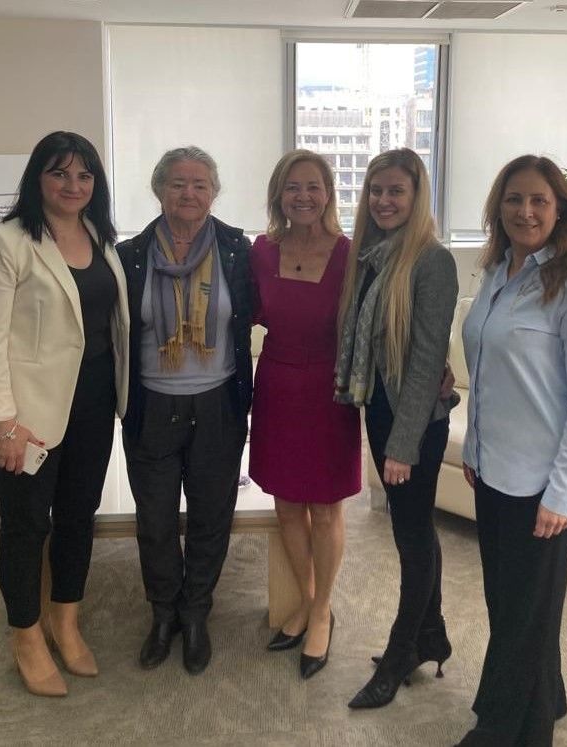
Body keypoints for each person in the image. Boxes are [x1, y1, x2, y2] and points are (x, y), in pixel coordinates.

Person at [0, 131, 129, 697]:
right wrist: (4, 423)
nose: (73, 185)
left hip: (93, 404)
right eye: (59, 173)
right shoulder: (5, 241)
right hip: (27, 416)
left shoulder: (100, 237)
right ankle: (26, 636)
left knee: (79, 516)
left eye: (84, 175)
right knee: (26, 526)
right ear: (38, 178)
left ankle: (66, 619)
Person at [456, 155, 567, 747]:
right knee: (512, 603)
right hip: (493, 469)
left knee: (523, 615)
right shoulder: (497, 272)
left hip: (542, 483)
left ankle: (505, 728)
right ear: (499, 208)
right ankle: (549, 696)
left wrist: (563, 493)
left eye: (539, 200)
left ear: (560, 208)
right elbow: (489, 369)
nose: (525, 211)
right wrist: (474, 449)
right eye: (514, 199)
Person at [116, 147, 252, 675]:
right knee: (154, 521)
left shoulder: (236, 249)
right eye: (177, 183)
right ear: (159, 190)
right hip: (151, 404)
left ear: (214, 193)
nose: (188, 193)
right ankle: (163, 614)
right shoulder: (130, 255)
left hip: (218, 403)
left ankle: (195, 613)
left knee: (211, 515)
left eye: (199, 184)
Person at [335, 148, 459, 709]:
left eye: (396, 191)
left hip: (416, 422)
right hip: (382, 409)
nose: (384, 201)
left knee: (409, 538)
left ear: (417, 196)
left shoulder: (432, 261)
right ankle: (431, 636)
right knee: (416, 527)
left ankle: (399, 651)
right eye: (376, 190)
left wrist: (402, 446)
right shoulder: (370, 256)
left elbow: (428, 361)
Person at [249, 150, 361, 679]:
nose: (303, 196)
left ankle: (320, 613)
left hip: (328, 390)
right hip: (276, 385)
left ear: (328, 194)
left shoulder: (348, 253)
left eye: (313, 186)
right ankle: (310, 599)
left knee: (326, 507)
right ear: (279, 195)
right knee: (288, 505)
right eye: (292, 187)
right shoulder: (261, 251)